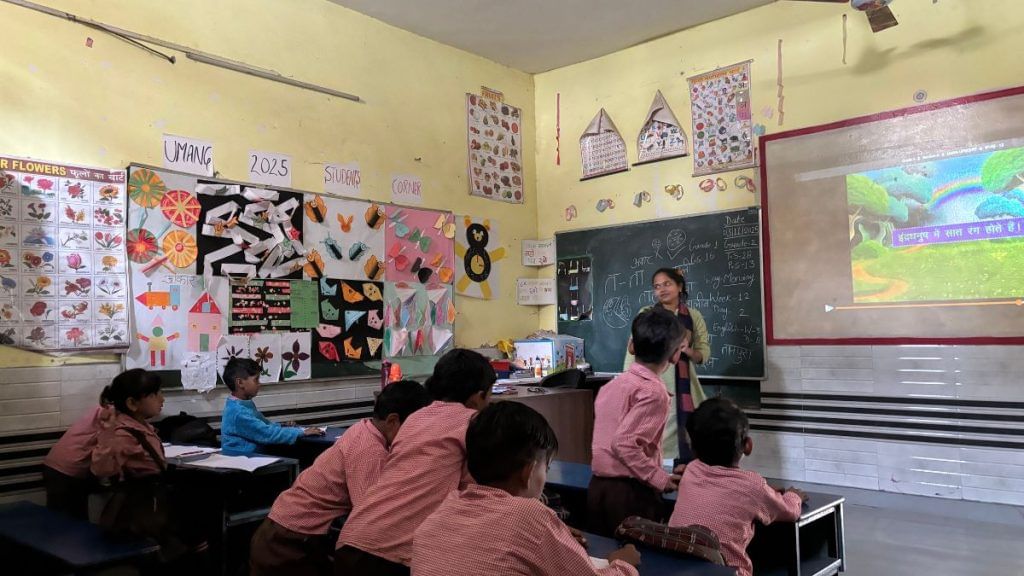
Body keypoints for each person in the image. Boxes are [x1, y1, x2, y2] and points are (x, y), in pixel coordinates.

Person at [411, 401, 641, 576]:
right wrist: (622, 563)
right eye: (547, 468)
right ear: (528, 472)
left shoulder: (448, 506)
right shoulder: (528, 515)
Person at [335, 348, 495, 576]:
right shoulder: (472, 422)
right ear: (477, 397)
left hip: (353, 540)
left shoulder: (416, 417)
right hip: (391, 554)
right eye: (489, 396)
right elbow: (477, 490)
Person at [249, 380, 432, 576]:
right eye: (416, 426)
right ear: (393, 421)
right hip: (286, 544)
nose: (418, 434)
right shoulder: (370, 451)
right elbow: (373, 518)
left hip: (286, 533)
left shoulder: (363, 428)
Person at [668, 398, 806, 576]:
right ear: (748, 445)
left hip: (679, 568)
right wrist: (794, 496)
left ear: (693, 448)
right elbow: (789, 512)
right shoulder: (752, 485)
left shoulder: (691, 471)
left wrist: (765, 491)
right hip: (728, 572)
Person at [91, 369, 208, 566]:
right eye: (155, 394)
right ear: (132, 403)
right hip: (146, 509)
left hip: (156, 502)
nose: (162, 399)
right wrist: (108, 434)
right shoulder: (123, 434)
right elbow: (101, 469)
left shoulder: (141, 426)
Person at [589, 307, 688, 537]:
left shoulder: (611, 386)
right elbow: (623, 443)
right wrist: (659, 478)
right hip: (630, 494)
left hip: (599, 487)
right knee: (636, 564)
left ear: (631, 346)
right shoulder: (654, 392)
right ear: (674, 355)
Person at [624, 267, 711, 463]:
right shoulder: (646, 313)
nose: (662, 289)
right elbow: (632, 349)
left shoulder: (693, 316)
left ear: (679, 286)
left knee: (689, 446)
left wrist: (686, 350)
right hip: (653, 384)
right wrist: (629, 382)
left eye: (667, 284)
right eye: (657, 286)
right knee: (653, 442)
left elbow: (703, 354)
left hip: (685, 389)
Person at [220, 357, 323, 455]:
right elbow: (266, 433)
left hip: (252, 455)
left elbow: (264, 425)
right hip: (242, 461)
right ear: (240, 383)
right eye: (256, 380)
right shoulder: (238, 412)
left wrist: (282, 426)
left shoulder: (243, 404)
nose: (259, 384)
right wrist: (301, 432)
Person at [41, 388, 112, 519]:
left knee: (58, 520)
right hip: (67, 471)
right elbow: (104, 455)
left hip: (54, 465)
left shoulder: (98, 410)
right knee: (73, 522)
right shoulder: (109, 418)